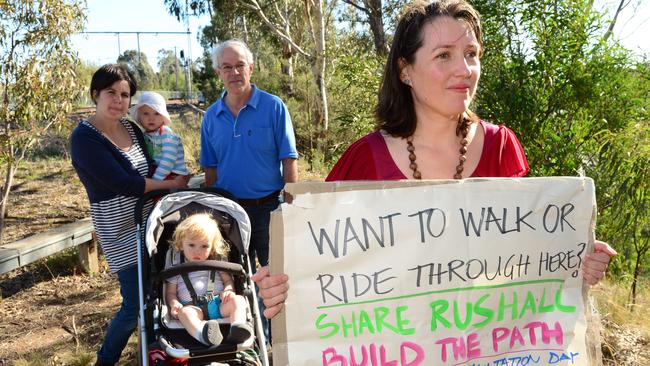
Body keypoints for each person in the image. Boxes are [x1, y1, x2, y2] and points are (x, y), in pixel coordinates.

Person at [251, 0, 617, 319]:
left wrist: (577, 261)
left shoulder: (502, 147)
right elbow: (318, 269)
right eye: (444, 55)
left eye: (471, 54)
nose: (465, 69)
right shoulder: (364, 160)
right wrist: (281, 286)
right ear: (405, 71)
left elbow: (528, 260)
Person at [70, 64, 190, 366]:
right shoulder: (85, 139)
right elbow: (126, 183)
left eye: (125, 95)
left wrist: (176, 174)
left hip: (150, 220)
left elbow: (151, 164)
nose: (118, 100)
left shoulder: (132, 129)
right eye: (111, 93)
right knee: (135, 303)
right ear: (95, 94)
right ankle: (106, 359)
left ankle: (153, 352)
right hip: (119, 228)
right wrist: (170, 184)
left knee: (159, 292)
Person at [200, 39, 299, 340]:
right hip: (229, 212)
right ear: (218, 72)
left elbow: (289, 159)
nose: (234, 72)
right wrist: (212, 211)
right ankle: (248, 338)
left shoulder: (273, 107)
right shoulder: (210, 118)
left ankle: (279, 339)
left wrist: (290, 203)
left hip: (270, 207)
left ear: (251, 68)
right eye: (227, 67)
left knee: (274, 275)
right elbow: (210, 170)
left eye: (240, 65)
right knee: (234, 277)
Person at [165, 213, 253, 346]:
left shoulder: (217, 262)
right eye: (192, 245)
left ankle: (237, 328)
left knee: (239, 300)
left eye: (204, 246)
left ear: (212, 247)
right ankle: (203, 334)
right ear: (181, 244)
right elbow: (170, 292)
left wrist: (229, 290)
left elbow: (228, 281)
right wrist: (174, 304)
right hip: (191, 307)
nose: (197, 251)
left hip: (218, 304)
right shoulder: (176, 266)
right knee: (185, 313)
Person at [129, 91, 189, 181]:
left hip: (173, 173)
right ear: (139, 117)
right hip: (157, 171)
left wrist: (155, 180)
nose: (151, 118)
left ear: (163, 116)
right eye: (146, 113)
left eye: (156, 113)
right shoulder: (144, 135)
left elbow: (168, 159)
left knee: (157, 194)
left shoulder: (167, 134)